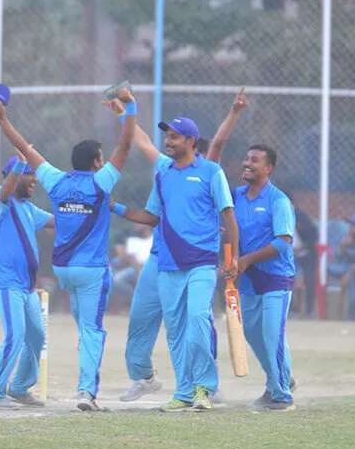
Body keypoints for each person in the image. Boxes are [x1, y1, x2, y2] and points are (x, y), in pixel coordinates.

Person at [0, 86, 137, 411]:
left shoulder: (55, 180)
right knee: (92, 331)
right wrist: (131, 108)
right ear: (97, 162)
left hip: (63, 270)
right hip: (91, 270)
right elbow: (125, 145)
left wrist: (2, 119)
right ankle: (86, 393)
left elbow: (24, 147)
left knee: (77, 326)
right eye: (102, 159)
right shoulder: (101, 181)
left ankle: (22, 386)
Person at [113, 87, 249, 403]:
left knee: (197, 321)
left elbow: (218, 145)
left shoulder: (210, 171)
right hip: (163, 261)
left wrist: (234, 112)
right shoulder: (164, 171)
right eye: (168, 136)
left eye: (174, 137)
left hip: (199, 260)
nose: (168, 141)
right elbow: (142, 144)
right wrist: (124, 113)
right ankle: (159, 382)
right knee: (161, 326)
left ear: (191, 142)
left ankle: (207, 386)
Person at [0, 150, 54, 410]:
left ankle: (20, 387)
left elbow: (58, 222)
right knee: (16, 334)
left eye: (35, 175)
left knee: (36, 336)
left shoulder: (29, 209)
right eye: (28, 174)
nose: (34, 179)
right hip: (6, 281)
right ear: (12, 176)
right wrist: (21, 162)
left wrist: (85, 211)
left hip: (27, 286)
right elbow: (5, 191)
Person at [233, 145, 297, 411]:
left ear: (268, 169)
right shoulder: (235, 196)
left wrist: (246, 260)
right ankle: (280, 377)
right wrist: (230, 260)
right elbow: (227, 229)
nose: (247, 163)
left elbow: (283, 241)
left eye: (255, 160)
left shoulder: (278, 200)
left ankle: (281, 395)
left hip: (276, 278)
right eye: (247, 158)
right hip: (249, 279)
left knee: (272, 335)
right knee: (252, 333)